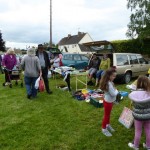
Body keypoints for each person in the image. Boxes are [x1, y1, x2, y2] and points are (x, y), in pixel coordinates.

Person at [128, 76, 150, 150]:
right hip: (148, 116)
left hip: (137, 117)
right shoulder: (149, 93)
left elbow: (131, 102)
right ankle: (148, 146)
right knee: (148, 130)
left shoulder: (134, 93)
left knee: (138, 131)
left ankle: (136, 146)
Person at [100, 68, 119, 137]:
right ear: (109, 76)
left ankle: (107, 125)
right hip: (108, 102)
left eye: (115, 76)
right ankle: (104, 129)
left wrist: (114, 90)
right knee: (106, 115)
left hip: (109, 101)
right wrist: (117, 90)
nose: (115, 77)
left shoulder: (109, 82)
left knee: (108, 114)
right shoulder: (109, 84)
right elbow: (113, 94)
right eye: (113, 76)